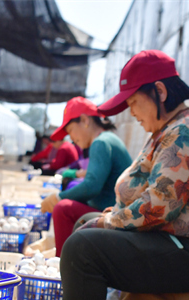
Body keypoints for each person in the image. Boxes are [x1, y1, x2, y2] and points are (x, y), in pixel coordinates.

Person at [55, 50, 189, 300]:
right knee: (84, 225)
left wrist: (110, 221)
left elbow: (160, 206)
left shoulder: (185, 131)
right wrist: (112, 216)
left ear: (160, 91)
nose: (131, 112)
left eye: (134, 102)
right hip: (172, 241)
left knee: (83, 250)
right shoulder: (166, 130)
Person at [41, 97, 132, 255]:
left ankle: (63, 263)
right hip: (115, 210)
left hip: (114, 214)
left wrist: (59, 197)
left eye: (70, 131)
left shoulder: (100, 143)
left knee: (62, 209)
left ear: (84, 120)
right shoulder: (109, 139)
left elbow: (92, 185)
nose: (72, 139)